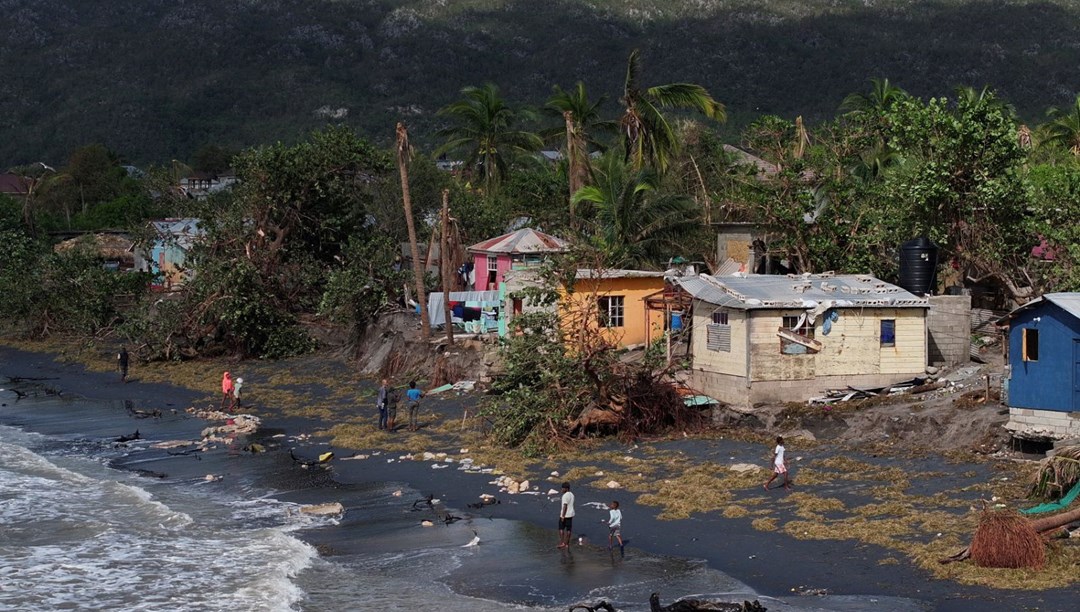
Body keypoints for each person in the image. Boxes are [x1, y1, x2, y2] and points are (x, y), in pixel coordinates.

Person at [557, 482, 575, 549]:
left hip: (565, 514)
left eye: (563, 488)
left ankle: (562, 543)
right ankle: (567, 544)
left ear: (566, 489)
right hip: (571, 514)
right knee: (569, 529)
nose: (561, 490)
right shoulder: (572, 495)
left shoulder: (565, 496)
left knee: (561, 528)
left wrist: (562, 516)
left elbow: (565, 506)